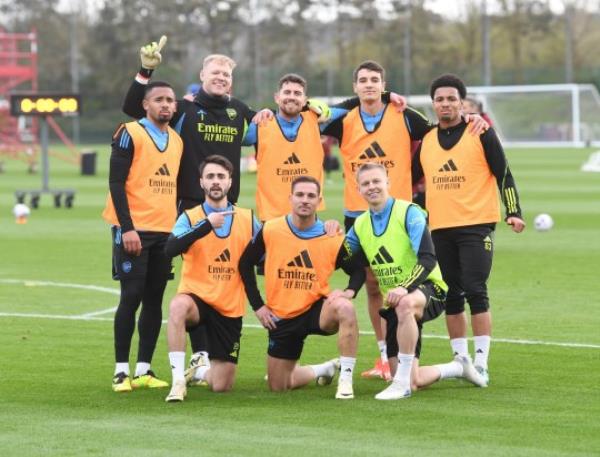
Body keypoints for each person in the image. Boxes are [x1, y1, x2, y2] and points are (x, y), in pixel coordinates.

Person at [321, 60, 488, 381]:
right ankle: (385, 357)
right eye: (363, 81)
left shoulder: (404, 114)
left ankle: (406, 353)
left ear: (383, 85)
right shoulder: (345, 119)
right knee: (370, 286)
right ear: (355, 86)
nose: (369, 85)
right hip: (357, 214)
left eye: (375, 80)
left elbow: (440, 130)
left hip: (398, 213)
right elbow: (312, 115)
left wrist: (471, 120)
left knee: (399, 278)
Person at [122, 37, 267, 376]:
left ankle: (206, 354)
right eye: (215, 72)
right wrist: (146, 70)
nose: (221, 78)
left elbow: (276, 123)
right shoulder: (184, 108)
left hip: (226, 208)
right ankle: (196, 354)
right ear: (202, 74)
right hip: (188, 206)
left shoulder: (240, 111)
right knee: (194, 278)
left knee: (220, 275)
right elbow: (133, 108)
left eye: (227, 74)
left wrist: (266, 114)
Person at [413, 74, 526, 386]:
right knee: (450, 294)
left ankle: (481, 362)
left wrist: (513, 211)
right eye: (440, 99)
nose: (445, 104)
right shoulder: (426, 141)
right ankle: (460, 360)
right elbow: (415, 183)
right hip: (440, 227)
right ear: (433, 103)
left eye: (451, 98)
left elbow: (504, 173)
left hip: (476, 225)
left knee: (476, 290)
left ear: (461, 102)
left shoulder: (481, 132)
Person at [346, 163, 487, 400]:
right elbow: (341, 256)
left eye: (376, 181)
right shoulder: (360, 224)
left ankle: (401, 385)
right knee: (415, 379)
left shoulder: (409, 212)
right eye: (366, 183)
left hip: (429, 289)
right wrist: (326, 233)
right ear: (358, 189)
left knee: (405, 305)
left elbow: (428, 258)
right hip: (396, 302)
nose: (372, 187)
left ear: (388, 183)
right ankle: (458, 367)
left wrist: (404, 287)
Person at [239, 176, 365, 400]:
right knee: (279, 386)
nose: (305, 200)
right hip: (281, 315)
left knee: (345, 308)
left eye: (310, 196)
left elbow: (358, 271)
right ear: (290, 198)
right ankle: (323, 368)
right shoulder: (271, 229)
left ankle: (346, 380)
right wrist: (258, 306)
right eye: (300, 195)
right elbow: (245, 263)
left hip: (317, 311)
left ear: (319, 200)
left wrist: (348, 292)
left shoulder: (331, 236)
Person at [102, 81, 182, 392]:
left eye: (170, 101)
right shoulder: (129, 132)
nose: (166, 105)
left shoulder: (176, 140)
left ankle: (144, 370)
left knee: (154, 300)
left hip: (165, 231)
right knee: (131, 297)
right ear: (145, 105)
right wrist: (127, 227)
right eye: (159, 99)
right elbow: (116, 182)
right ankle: (121, 371)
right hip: (134, 230)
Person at [163, 155, 260, 402]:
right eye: (210, 177)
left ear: (230, 182)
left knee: (222, 385)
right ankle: (176, 382)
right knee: (177, 306)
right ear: (201, 183)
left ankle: (200, 370)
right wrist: (206, 225)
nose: (215, 182)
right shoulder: (190, 216)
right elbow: (170, 248)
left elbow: (268, 253)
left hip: (229, 307)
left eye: (221, 177)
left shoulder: (248, 219)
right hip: (197, 298)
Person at [243, 73, 327, 221]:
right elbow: (233, 140)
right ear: (277, 97)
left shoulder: (316, 120)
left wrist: (325, 109)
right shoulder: (260, 124)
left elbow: (346, 110)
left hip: (307, 213)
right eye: (287, 92)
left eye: (297, 93)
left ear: (305, 100)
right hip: (272, 216)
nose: (292, 97)